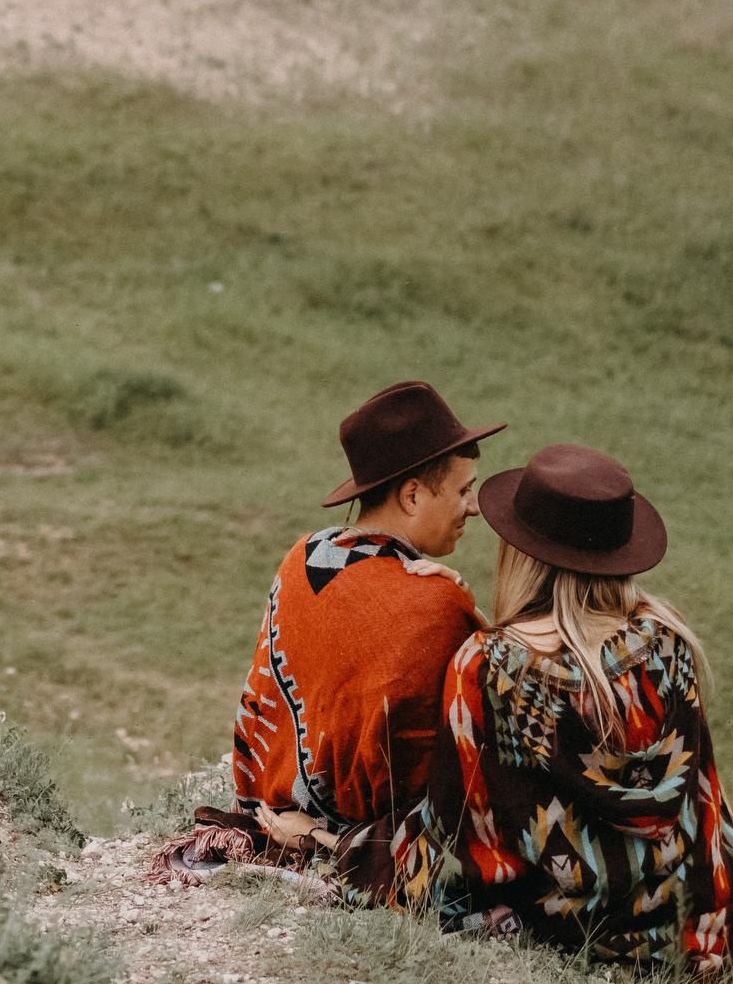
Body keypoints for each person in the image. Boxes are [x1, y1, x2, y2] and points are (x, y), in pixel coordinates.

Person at [444, 443, 733, 984]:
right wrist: (720, 929)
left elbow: (478, 825)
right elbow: (706, 802)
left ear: (522, 553)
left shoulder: (483, 667)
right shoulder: (667, 640)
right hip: (674, 926)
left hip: (557, 928)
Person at [160, 381, 503, 907]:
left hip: (268, 810)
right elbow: (464, 755)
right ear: (412, 495)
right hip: (368, 847)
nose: (474, 508)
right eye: (462, 491)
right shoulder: (434, 603)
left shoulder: (306, 553)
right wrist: (464, 604)